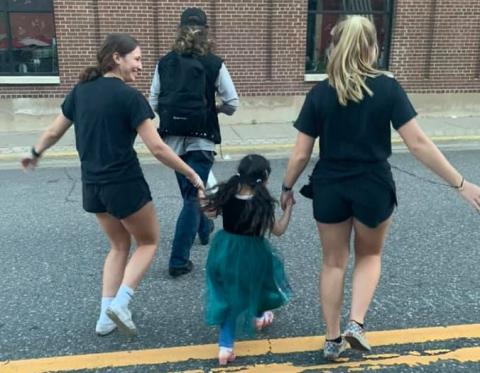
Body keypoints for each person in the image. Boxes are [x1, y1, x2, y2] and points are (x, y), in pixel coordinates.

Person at [280, 16, 480, 361]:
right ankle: (356, 324)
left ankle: (331, 339)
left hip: (329, 187)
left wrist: (286, 188)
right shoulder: (388, 88)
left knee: (333, 262)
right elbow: (418, 144)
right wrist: (460, 184)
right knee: (369, 255)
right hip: (373, 186)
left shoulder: (320, 92)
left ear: (334, 47)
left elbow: (301, 153)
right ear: (372, 47)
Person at [21, 33, 205, 337]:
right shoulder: (130, 98)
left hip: (93, 187)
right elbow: (157, 148)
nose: (141, 66)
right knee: (148, 242)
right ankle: (121, 303)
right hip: (124, 183)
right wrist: (191, 173)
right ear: (116, 58)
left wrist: (34, 153)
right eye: (137, 59)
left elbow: (54, 131)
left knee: (119, 245)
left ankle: (105, 318)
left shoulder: (81, 92)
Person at [149, 7, 239, 278]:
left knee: (191, 192)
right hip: (202, 139)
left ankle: (204, 229)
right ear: (206, 31)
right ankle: (178, 261)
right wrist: (215, 109)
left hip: (173, 141)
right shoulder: (214, 63)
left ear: (179, 29)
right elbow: (233, 103)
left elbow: (152, 102)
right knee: (192, 197)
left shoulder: (164, 63)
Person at [200, 154, 293, 366]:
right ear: (265, 178)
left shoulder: (227, 193)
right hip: (252, 253)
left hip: (224, 250)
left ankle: (251, 321)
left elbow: (210, 214)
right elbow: (278, 230)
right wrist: (288, 210)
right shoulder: (262, 203)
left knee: (228, 294)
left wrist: (201, 196)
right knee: (257, 285)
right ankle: (226, 345)